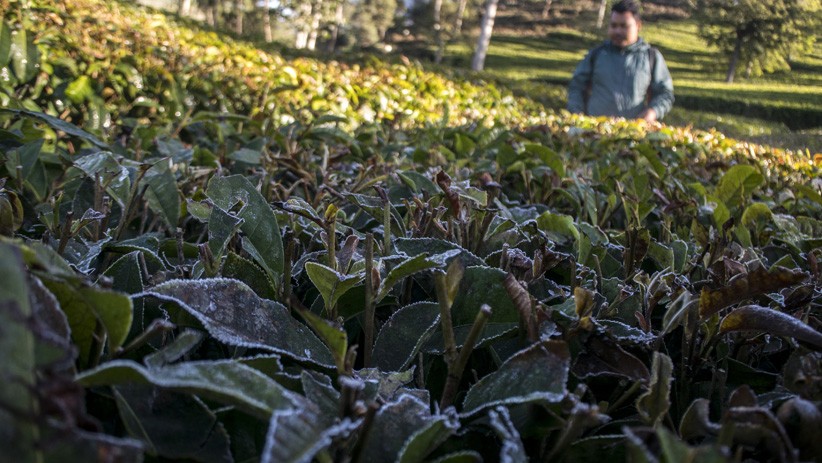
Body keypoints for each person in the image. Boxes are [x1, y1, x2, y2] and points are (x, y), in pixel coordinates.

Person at [567, 0, 674, 123]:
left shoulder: (651, 57)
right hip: (593, 132)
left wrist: (653, 112)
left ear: (638, 25)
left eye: (624, 26)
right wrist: (577, 113)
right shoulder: (597, 54)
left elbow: (665, 94)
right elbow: (576, 86)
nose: (618, 31)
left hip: (633, 134)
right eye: (614, 25)